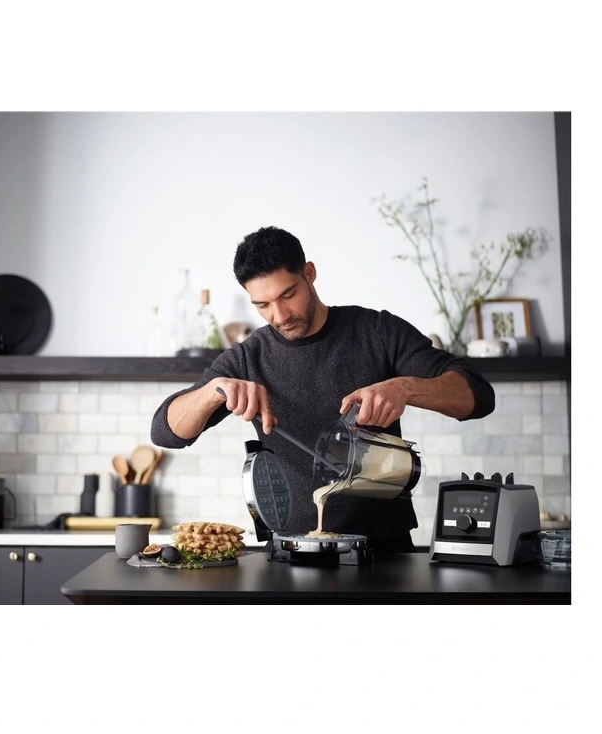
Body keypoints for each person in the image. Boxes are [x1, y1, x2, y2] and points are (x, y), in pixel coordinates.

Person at [150, 226, 495, 554]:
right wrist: (213, 391)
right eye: (263, 305)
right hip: (289, 552)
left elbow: (478, 396)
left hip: (384, 550)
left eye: (288, 295)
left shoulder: (377, 332)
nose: (280, 315)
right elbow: (166, 433)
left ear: (309, 273)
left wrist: (406, 388)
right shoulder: (247, 357)